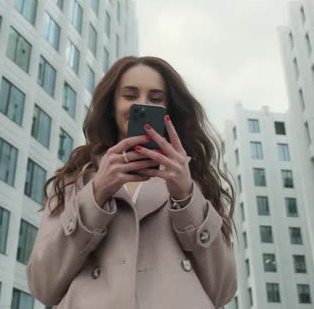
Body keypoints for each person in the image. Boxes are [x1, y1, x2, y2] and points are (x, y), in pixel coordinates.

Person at [27, 56, 237, 308]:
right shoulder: (74, 183)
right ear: (112, 105)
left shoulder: (195, 183)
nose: (142, 104)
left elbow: (224, 288)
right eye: (130, 95)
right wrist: (95, 195)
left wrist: (186, 196)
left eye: (156, 99)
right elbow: (42, 285)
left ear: (168, 110)